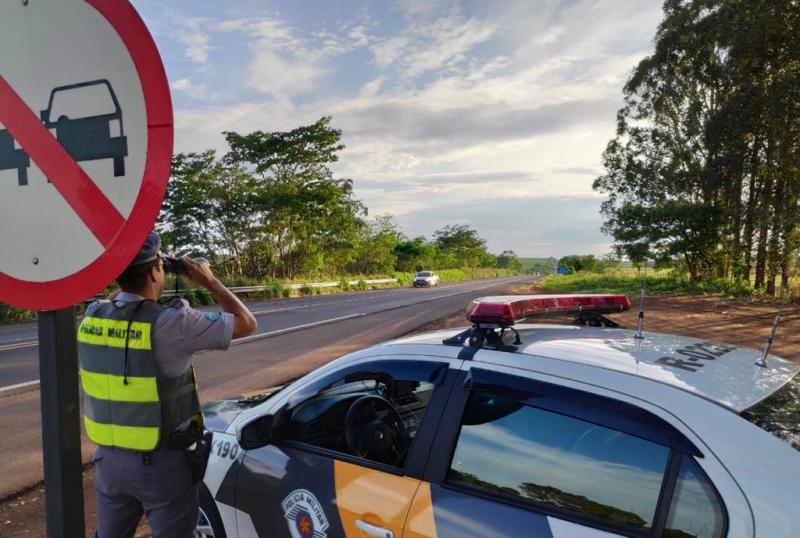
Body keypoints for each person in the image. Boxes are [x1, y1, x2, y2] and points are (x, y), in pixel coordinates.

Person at [77, 232, 257, 538]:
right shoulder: (173, 323)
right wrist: (208, 280)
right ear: (153, 272)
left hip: (108, 461)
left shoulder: (93, 318)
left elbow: (116, 300)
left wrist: (126, 268)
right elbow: (246, 322)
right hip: (160, 464)